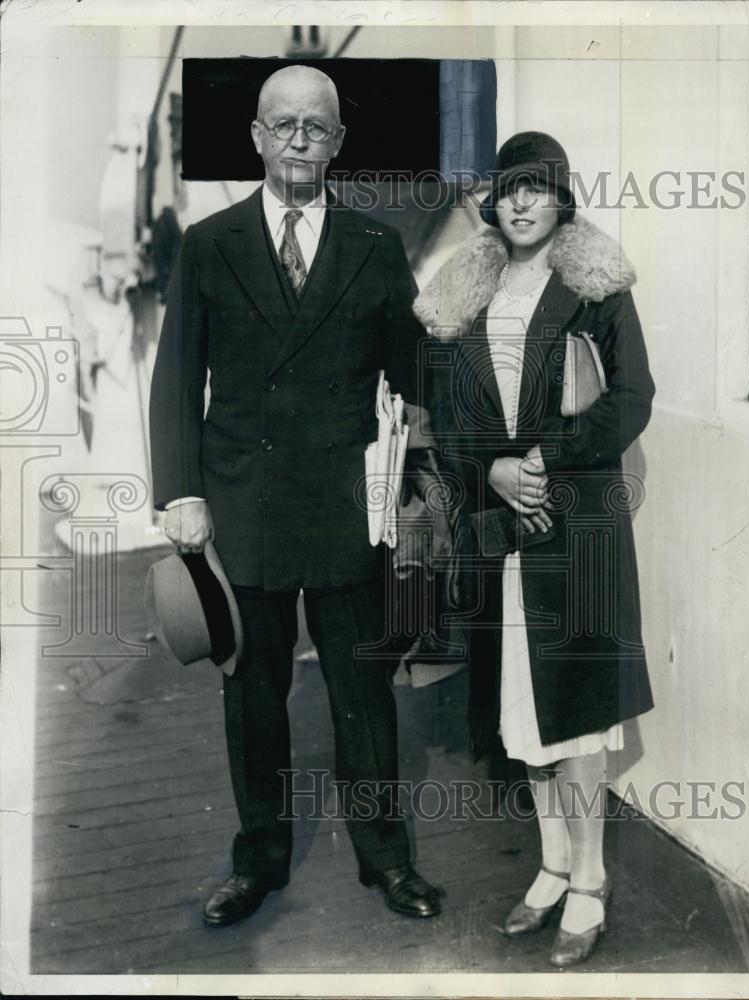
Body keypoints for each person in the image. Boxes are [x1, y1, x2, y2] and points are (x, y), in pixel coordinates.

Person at [149, 65, 443, 927]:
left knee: (363, 691)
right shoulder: (209, 243)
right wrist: (180, 494)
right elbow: (176, 379)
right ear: (255, 137)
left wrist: (430, 451)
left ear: (339, 142)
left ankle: (385, 861)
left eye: (316, 127)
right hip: (243, 506)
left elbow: (414, 372)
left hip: (350, 511)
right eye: (282, 125)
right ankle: (259, 861)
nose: (298, 140)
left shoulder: (375, 244)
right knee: (252, 695)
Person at [413, 132, 655, 966]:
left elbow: (631, 399)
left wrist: (543, 459)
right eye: (508, 190)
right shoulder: (468, 292)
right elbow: (449, 417)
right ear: (494, 202)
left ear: (560, 200)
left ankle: (588, 880)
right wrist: (493, 469)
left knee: (578, 714)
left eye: (536, 189)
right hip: (501, 527)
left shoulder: (594, 287)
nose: (519, 204)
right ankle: (552, 865)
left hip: (575, 525)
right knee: (524, 711)